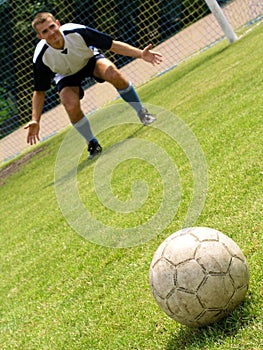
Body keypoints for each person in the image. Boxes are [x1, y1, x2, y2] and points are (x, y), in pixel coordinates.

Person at [25, 12, 163, 159]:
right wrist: (35, 120)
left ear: (58, 23)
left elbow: (112, 45)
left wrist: (140, 54)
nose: (51, 32)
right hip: (66, 75)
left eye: (52, 26)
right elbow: (39, 91)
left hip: (90, 60)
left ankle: (143, 113)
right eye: (45, 31)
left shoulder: (77, 31)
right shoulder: (40, 56)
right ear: (40, 36)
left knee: (113, 73)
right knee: (70, 105)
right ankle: (92, 143)